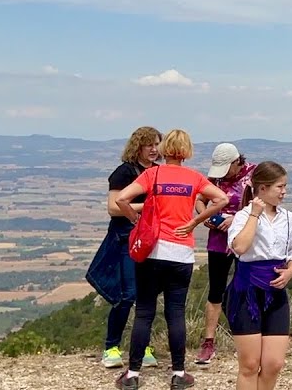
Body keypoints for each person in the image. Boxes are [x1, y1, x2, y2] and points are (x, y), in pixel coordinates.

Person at [113, 129, 229, 390]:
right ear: (187, 151)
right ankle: (178, 373)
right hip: (181, 253)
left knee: (144, 312)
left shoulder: (152, 174)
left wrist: (136, 220)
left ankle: (132, 375)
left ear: (165, 149)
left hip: (152, 251)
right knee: (175, 313)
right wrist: (195, 222)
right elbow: (221, 199)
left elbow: (121, 198)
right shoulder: (194, 178)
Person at [226, 161, 292, 390]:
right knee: (250, 364)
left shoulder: (288, 218)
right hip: (247, 292)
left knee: (273, 363)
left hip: (276, 291)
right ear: (262, 189)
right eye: (279, 187)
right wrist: (254, 214)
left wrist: (291, 269)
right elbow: (239, 247)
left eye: (284, 186)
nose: (284, 192)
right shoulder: (243, 216)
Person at [88, 126, 162, 370]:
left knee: (147, 296)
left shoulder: (161, 172)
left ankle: (143, 347)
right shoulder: (124, 173)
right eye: (148, 145)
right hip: (126, 240)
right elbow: (113, 207)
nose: (153, 149)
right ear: (137, 147)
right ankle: (111, 347)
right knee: (126, 295)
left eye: (156, 144)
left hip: (155, 240)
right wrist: (147, 205)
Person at [195, 142, 256, 365]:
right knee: (215, 290)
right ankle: (208, 342)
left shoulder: (255, 174)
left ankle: (250, 335)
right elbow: (200, 201)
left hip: (246, 238)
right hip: (219, 240)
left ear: (236, 162)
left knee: (247, 286)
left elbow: (263, 205)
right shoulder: (215, 179)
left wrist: (236, 219)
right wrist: (207, 217)